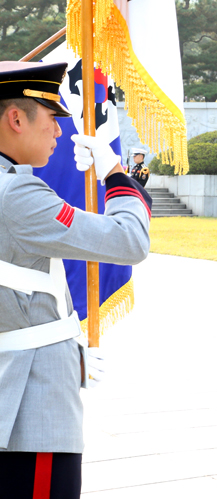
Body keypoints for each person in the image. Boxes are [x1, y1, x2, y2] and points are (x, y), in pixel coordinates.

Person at [0, 60, 151, 498]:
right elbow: (129, 240)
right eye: (52, 118)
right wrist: (115, 173)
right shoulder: (17, 195)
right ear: (15, 119)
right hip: (31, 407)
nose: (60, 133)